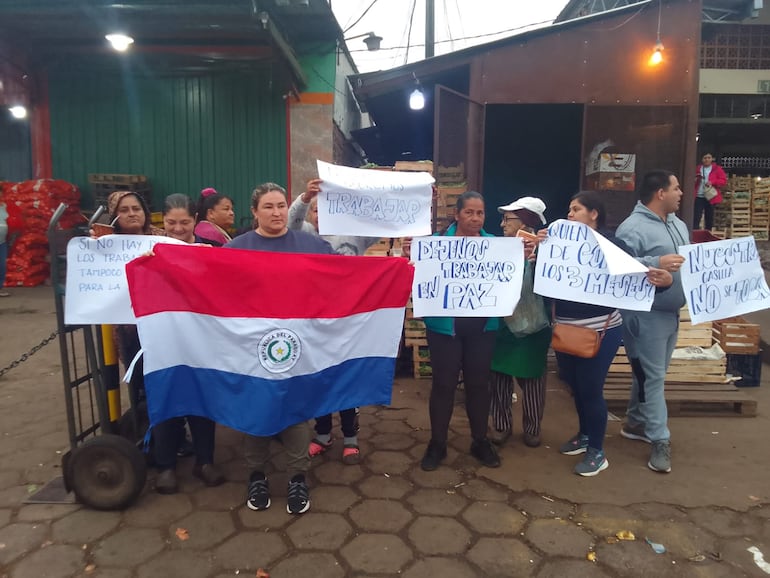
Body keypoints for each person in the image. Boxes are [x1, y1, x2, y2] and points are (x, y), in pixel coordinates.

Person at [226, 182, 333, 515]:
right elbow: (201, 274)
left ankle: (297, 477)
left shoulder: (311, 245)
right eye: (268, 206)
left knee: (296, 410)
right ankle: (256, 474)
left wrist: (399, 265)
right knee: (258, 409)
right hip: (252, 346)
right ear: (255, 211)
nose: (276, 212)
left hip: (298, 344)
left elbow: (348, 275)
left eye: (281, 205)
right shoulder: (236, 248)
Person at [552, 191, 673, 476]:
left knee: (591, 389)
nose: (569, 214)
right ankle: (584, 435)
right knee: (575, 386)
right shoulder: (557, 244)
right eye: (568, 210)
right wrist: (537, 250)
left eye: (576, 209)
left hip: (602, 329)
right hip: (565, 329)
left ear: (594, 214)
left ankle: (597, 451)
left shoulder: (614, 245)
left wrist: (664, 282)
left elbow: (640, 278)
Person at [403, 191, 501, 472]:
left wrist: (524, 258)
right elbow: (413, 275)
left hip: (482, 327)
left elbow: (509, 278)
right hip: (444, 328)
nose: (475, 218)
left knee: (479, 385)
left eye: (480, 213)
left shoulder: (496, 246)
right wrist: (409, 255)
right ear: (457, 214)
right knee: (444, 385)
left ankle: (480, 440)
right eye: (469, 212)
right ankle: (438, 443)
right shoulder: (434, 245)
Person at [288, 178, 380, 465]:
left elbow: (387, 225)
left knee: (346, 376)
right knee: (318, 377)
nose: (320, 215)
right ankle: (323, 434)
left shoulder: (355, 235)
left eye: (326, 209)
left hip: (348, 319)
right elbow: (292, 221)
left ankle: (351, 438)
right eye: (316, 210)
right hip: (312, 319)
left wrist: (416, 203)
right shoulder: (303, 235)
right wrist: (305, 198)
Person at [615, 171, 689, 474]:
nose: (681, 193)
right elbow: (618, 268)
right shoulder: (631, 228)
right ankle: (660, 439)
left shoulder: (680, 225)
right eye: (676, 188)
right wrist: (655, 264)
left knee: (646, 374)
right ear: (660, 193)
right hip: (645, 316)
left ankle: (635, 422)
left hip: (672, 314)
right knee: (654, 377)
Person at [152, 194, 225, 493]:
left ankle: (205, 462)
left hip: (202, 339)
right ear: (162, 222)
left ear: (196, 220)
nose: (178, 228)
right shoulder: (151, 250)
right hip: (163, 338)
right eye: (171, 222)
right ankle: (165, 466)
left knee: (202, 400)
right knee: (165, 398)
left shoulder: (212, 250)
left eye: (184, 222)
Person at [489, 196, 550, 448]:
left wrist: (541, 258)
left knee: (534, 379)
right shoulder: (497, 248)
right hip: (502, 325)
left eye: (508, 219)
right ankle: (501, 426)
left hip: (535, 328)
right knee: (499, 378)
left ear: (525, 221)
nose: (503, 224)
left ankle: (532, 429)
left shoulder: (548, 249)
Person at [693, 153, 727, 231]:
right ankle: (695, 234)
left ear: (712, 159)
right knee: (696, 217)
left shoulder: (717, 169)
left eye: (709, 158)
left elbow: (723, 181)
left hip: (710, 196)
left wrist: (712, 182)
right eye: (705, 158)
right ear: (702, 159)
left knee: (709, 217)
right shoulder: (697, 168)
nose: (707, 159)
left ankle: (708, 234)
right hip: (699, 195)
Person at [0, 193, 9, 297]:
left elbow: (9, 220)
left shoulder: (3, 207)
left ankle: (0, 288)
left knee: (2, 265)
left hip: (2, 242)